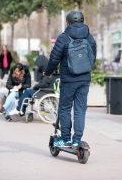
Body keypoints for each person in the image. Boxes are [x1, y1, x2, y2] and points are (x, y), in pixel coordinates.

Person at [43, 10, 97, 149]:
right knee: (80, 110)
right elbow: (93, 58)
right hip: (85, 79)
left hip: (68, 79)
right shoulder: (89, 37)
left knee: (65, 108)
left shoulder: (64, 37)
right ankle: (76, 140)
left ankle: (65, 138)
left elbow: (54, 58)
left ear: (68, 22)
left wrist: (48, 72)